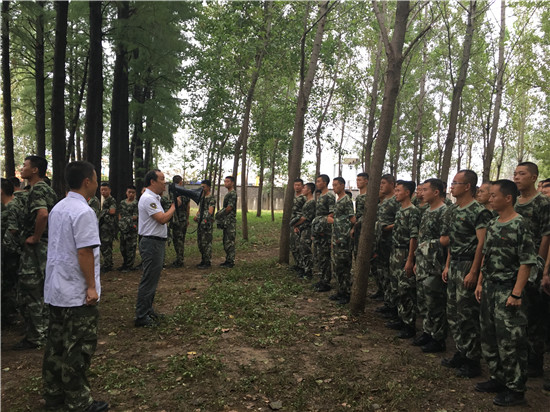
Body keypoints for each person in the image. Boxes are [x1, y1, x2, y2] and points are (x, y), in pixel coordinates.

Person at [42, 161, 109, 412]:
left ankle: (53, 394)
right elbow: (84, 251)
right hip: (76, 291)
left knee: (56, 345)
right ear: (87, 181)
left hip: (57, 288)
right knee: (78, 347)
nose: (97, 183)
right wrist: (91, 287)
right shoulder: (84, 212)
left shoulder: (58, 208)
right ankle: (78, 401)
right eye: (95, 178)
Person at [474, 180, 537, 407]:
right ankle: (498, 378)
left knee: (510, 341)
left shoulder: (520, 224)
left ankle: (515, 389)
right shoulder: (493, 223)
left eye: (494, 196)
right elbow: (486, 256)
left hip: (508, 289)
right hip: (489, 287)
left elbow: (526, 262)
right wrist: (480, 282)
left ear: (508, 198)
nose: (490, 199)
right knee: (489, 336)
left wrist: (516, 293)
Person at [440, 170, 493, 378]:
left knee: (467, 314)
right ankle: (461, 352)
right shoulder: (453, 210)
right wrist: (447, 265)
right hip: (454, 264)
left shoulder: (479, 211)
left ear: (468, 186)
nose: (452, 186)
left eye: (456, 183)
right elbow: (452, 241)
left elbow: (482, 244)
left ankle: (472, 360)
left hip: (469, 264)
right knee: (453, 312)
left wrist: (474, 272)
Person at [15, 155, 58, 350]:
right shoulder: (46, 188)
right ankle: (45, 330)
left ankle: (36, 336)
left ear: (35, 170)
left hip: (38, 249)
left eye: (25, 165)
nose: (22, 168)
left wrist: (35, 237)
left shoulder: (38, 189)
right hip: (47, 247)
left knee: (32, 289)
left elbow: (43, 214)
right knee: (43, 288)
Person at [513, 162, 550, 379]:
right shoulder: (514, 202)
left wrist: (541, 266)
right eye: (515, 174)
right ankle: (519, 355)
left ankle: (535, 361)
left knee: (534, 316)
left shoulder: (542, 203)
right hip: (514, 265)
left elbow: (546, 235)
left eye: (522, 174)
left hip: (533, 264)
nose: (517, 177)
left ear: (534, 177)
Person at [135, 170, 175, 327]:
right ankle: (141, 316)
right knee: (149, 279)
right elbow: (162, 219)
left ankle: (148, 309)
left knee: (153, 279)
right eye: (162, 179)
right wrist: (173, 207)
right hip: (151, 243)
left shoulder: (154, 197)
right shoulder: (148, 199)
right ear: (152, 182)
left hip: (156, 242)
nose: (164, 182)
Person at [413, 178, 448, 353]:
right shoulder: (427, 210)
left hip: (435, 264)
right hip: (423, 263)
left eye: (425, 189)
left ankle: (438, 338)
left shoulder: (444, 211)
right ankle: (427, 332)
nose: (422, 193)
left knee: (435, 302)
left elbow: (446, 239)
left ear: (436, 192)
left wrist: (425, 246)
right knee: (424, 300)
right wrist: (417, 260)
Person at [387, 180, 420, 339]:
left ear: (407, 192)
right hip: (395, 252)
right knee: (396, 287)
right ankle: (400, 318)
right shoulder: (400, 210)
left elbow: (414, 237)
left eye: (398, 191)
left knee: (406, 288)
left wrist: (410, 259)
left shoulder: (413, 211)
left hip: (405, 252)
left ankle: (409, 324)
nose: (396, 193)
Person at [374, 174, 400, 319]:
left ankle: (394, 305)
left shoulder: (396, 201)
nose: (381, 186)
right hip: (381, 242)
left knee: (391, 274)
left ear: (392, 184)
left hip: (391, 242)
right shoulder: (382, 202)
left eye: (383, 183)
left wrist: (386, 228)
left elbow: (400, 221)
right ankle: (388, 300)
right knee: (383, 272)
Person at [327, 177, 356, 305]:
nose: (334, 187)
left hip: (343, 240)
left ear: (343, 185)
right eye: (333, 185)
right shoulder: (338, 200)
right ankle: (340, 291)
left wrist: (334, 222)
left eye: (336, 185)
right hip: (336, 238)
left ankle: (346, 293)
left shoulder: (346, 200)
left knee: (344, 266)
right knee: (337, 266)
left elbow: (352, 220)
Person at [311, 174, 335, 292]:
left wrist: (322, 223)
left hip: (325, 232)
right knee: (319, 255)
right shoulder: (320, 196)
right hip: (318, 230)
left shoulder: (329, 196)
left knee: (325, 256)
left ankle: (326, 281)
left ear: (325, 183)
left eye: (319, 181)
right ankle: (322, 279)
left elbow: (332, 213)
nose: (317, 183)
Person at [294, 183, 316, 279]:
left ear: (309, 190)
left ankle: (308, 271)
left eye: (304, 188)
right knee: (302, 248)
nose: (302, 189)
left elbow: (305, 218)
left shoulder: (311, 202)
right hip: (303, 228)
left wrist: (295, 224)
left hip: (307, 228)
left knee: (306, 249)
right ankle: (304, 268)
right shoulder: (307, 201)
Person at [169, 176, 190, 268]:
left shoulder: (174, 192)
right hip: (184, 219)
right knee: (181, 239)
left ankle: (180, 259)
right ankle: (180, 258)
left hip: (177, 220)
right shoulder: (186, 192)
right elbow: (188, 207)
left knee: (177, 240)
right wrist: (187, 219)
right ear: (180, 182)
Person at [194, 179, 216, 269]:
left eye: (204, 187)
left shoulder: (211, 198)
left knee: (206, 242)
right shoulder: (202, 197)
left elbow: (210, 211)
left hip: (206, 224)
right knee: (200, 242)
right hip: (201, 224)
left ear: (209, 187)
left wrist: (201, 217)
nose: (202, 188)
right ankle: (203, 260)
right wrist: (197, 215)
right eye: (201, 187)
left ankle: (207, 262)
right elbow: (200, 209)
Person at [217, 176, 237, 268]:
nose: (226, 183)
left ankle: (230, 261)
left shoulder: (233, 194)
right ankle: (228, 260)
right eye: (225, 181)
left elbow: (229, 208)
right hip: (226, 221)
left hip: (230, 221)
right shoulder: (229, 193)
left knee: (230, 241)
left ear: (232, 183)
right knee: (226, 241)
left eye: (228, 181)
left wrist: (219, 214)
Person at [118, 185, 139, 272]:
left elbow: (135, 216)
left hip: (131, 228)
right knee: (122, 247)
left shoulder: (136, 203)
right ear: (126, 193)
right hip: (123, 228)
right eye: (129, 192)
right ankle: (125, 263)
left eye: (133, 192)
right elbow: (120, 214)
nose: (131, 194)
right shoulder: (122, 202)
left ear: (135, 193)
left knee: (130, 247)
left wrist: (125, 219)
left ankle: (129, 266)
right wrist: (121, 222)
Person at [98, 183, 117, 272]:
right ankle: (107, 263)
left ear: (109, 190)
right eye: (102, 190)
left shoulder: (111, 200)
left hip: (108, 226)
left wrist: (103, 212)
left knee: (106, 245)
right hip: (103, 226)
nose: (103, 192)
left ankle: (108, 264)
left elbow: (112, 211)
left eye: (105, 190)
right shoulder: (103, 199)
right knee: (103, 245)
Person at [289, 179, 306, 272]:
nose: (297, 187)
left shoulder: (304, 198)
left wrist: (298, 224)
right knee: (293, 245)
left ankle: (302, 266)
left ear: (302, 186)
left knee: (299, 245)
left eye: (299, 185)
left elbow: (305, 212)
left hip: (300, 224)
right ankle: (297, 264)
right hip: (293, 223)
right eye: (295, 185)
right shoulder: (293, 197)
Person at [352, 172, 368, 261]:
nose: (357, 182)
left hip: (365, 228)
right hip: (357, 228)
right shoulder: (358, 197)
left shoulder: (368, 196)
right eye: (357, 180)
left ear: (366, 181)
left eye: (360, 180)